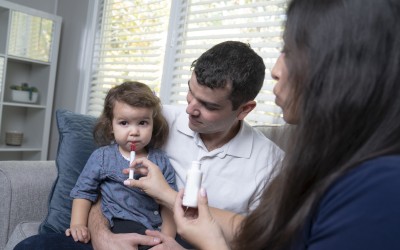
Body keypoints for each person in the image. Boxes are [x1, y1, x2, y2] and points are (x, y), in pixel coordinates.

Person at [172, 0, 400, 249]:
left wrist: (211, 243)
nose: (276, 70)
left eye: (290, 51)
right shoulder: (325, 167)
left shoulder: (380, 187)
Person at [14, 41, 282, 249]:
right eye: (190, 92)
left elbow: (259, 239)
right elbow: (106, 176)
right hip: (118, 233)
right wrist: (101, 235)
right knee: (33, 246)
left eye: (208, 106)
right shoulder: (155, 120)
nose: (190, 109)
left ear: (244, 109)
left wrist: (167, 200)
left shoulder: (270, 163)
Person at [65, 81, 177, 249]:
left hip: (152, 229)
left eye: (142, 123)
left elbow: (168, 205)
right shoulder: (102, 157)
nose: (134, 132)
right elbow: (83, 192)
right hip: (117, 224)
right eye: (124, 123)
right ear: (111, 126)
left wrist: (167, 238)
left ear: (153, 125)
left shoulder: (160, 161)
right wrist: (78, 224)